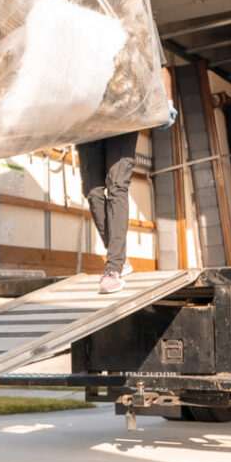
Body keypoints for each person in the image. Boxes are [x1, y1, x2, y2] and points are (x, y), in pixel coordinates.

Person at [77, 65, 176, 294]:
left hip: (123, 112)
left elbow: (160, 65)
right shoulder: (80, 32)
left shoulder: (136, 29)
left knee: (116, 185)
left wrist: (167, 101)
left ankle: (112, 269)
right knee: (92, 191)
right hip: (87, 116)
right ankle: (121, 260)